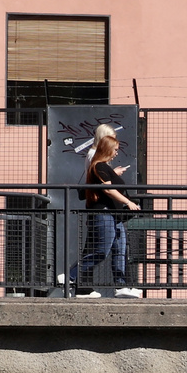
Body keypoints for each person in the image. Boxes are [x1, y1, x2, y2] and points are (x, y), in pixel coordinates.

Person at [67, 124, 143, 298]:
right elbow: (107, 189)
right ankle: (71, 276)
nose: (117, 153)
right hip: (104, 211)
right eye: (115, 149)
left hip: (113, 213)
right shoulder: (98, 164)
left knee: (119, 249)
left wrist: (115, 174)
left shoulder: (104, 166)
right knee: (101, 250)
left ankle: (120, 285)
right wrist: (128, 202)